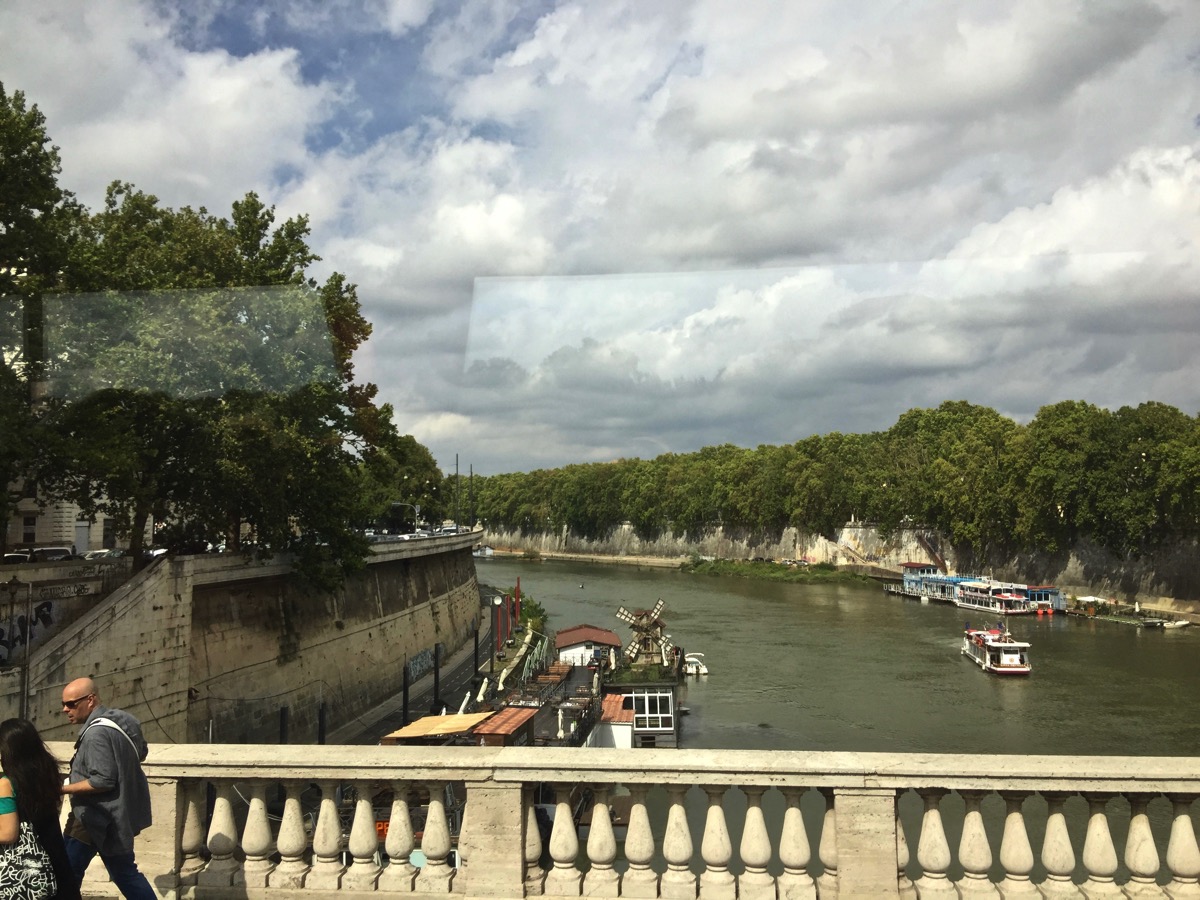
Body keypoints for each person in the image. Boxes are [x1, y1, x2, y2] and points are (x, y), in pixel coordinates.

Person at [59, 678, 154, 900]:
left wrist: (62, 789)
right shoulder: (124, 720)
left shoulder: (95, 735)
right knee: (124, 873)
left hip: (93, 817)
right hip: (116, 814)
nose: (65, 710)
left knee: (67, 873)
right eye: (64, 704)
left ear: (90, 700)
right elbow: (142, 752)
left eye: (71, 704)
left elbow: (103, 780)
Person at [0, 718, 81, 900]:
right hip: (54, 866)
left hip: (22, 878)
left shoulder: (7, 784)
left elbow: (8, 833)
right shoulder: (46, 774)